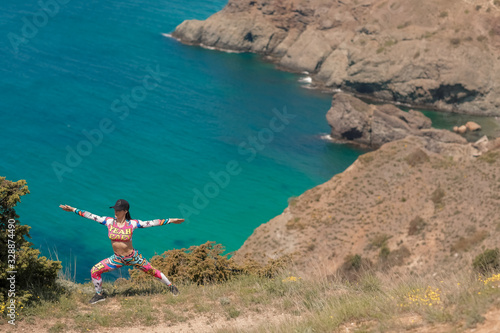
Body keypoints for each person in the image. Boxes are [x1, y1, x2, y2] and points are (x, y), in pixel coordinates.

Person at [59, 199, 184, 304]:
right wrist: (72, 209)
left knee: (153, 272)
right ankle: (99, 294)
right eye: (115, 209)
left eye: (118, 210)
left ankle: (171, 287)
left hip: (133, 257)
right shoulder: (108, 222)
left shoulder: (133, 224)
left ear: (125, 211)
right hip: (117, 258)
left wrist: (171, 220)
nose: (116, 212)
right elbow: (90, 216)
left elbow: (152, 223)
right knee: (94, 271)